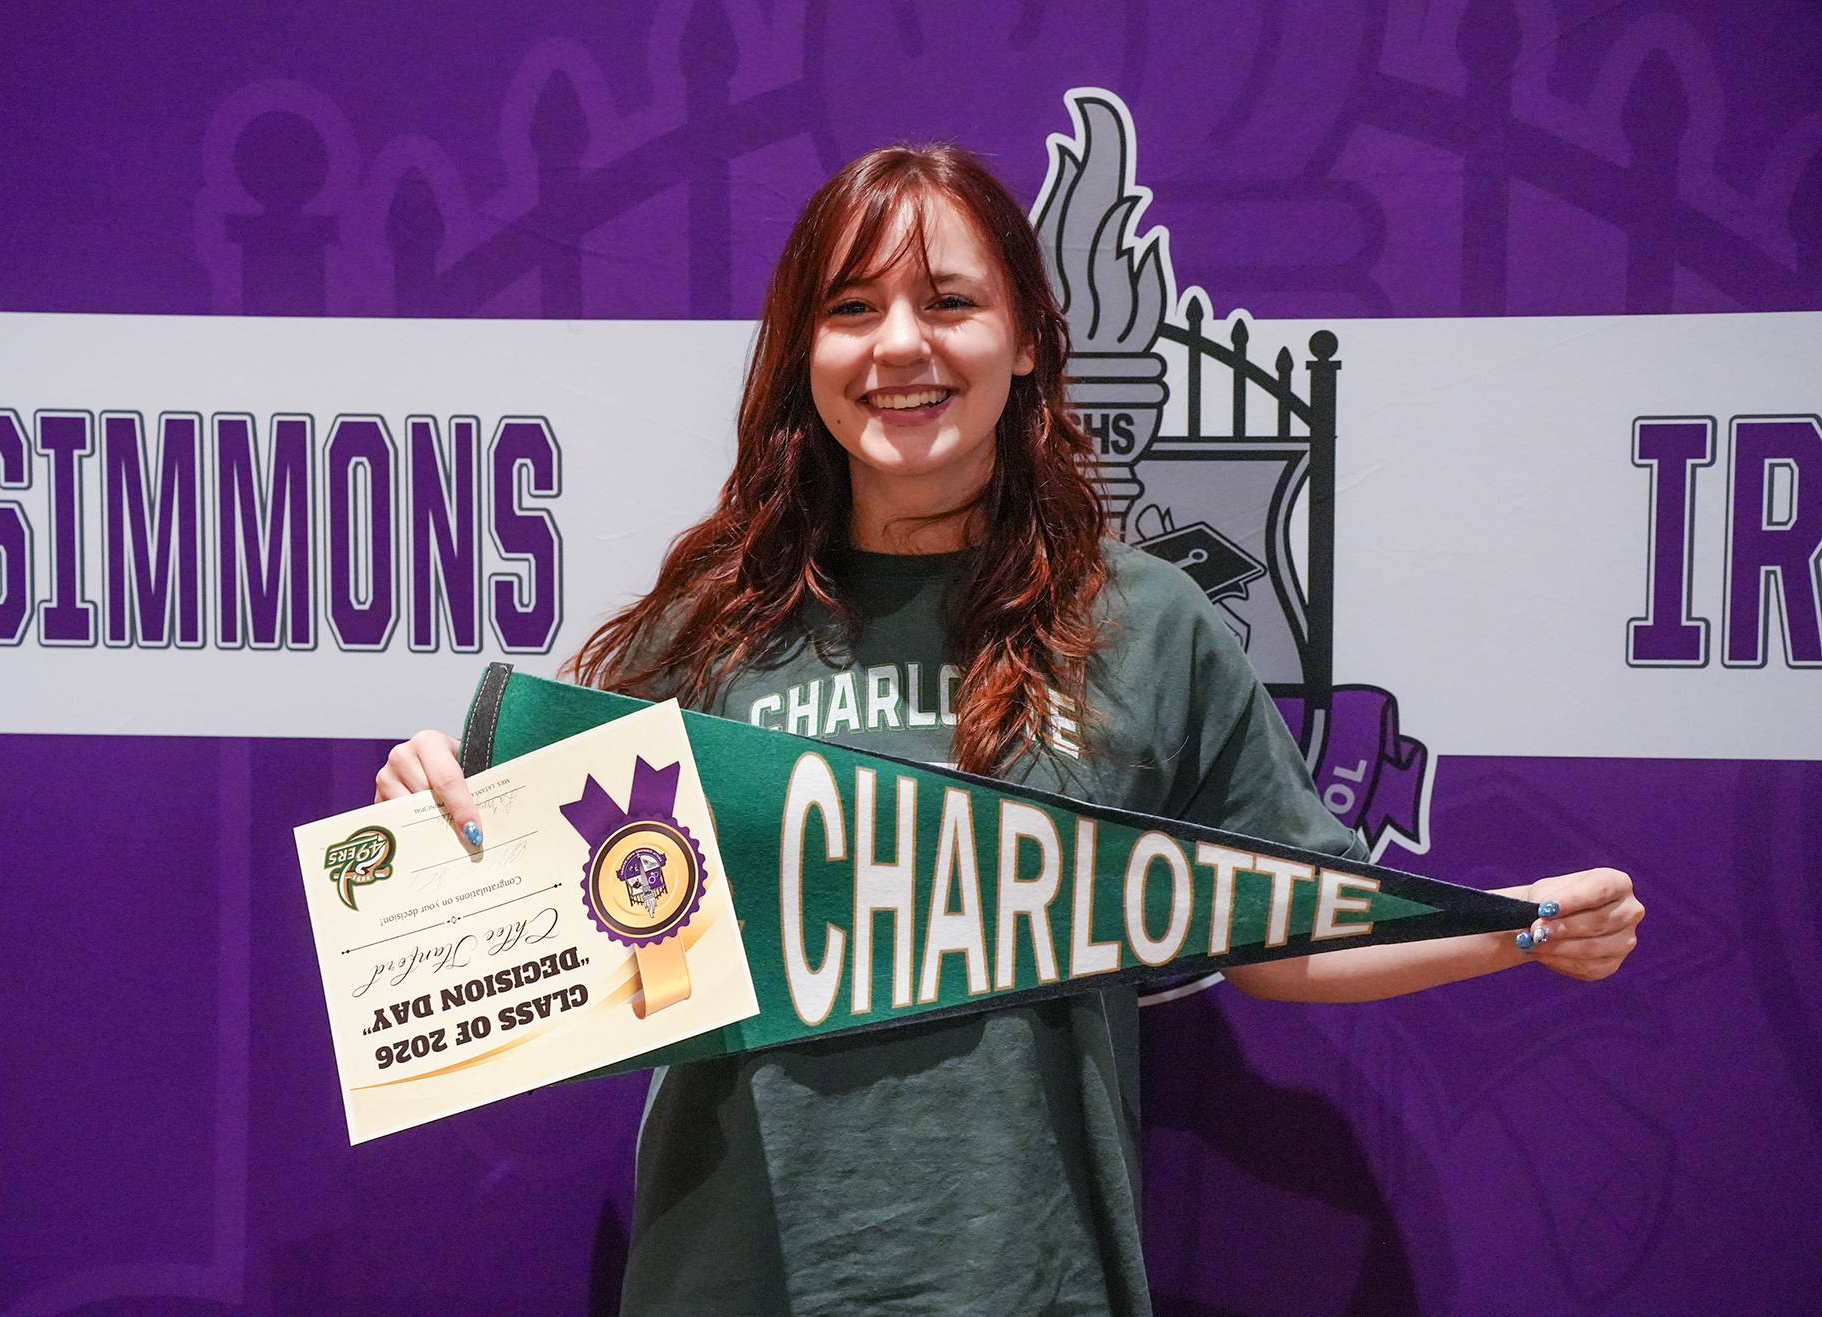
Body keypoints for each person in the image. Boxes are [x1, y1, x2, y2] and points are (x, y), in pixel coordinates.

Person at [376, 144, 1643, 1316]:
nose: (899, 346)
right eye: (851, 308)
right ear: (802, 349)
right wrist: (435, 825)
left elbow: (1280, 937)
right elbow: (535, 938)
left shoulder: (1143, 622)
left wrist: (1514, 928)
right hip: (731, 1276)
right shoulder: (705, 625)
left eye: (948, 302)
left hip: (1028, 1277)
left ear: (1028, 337)